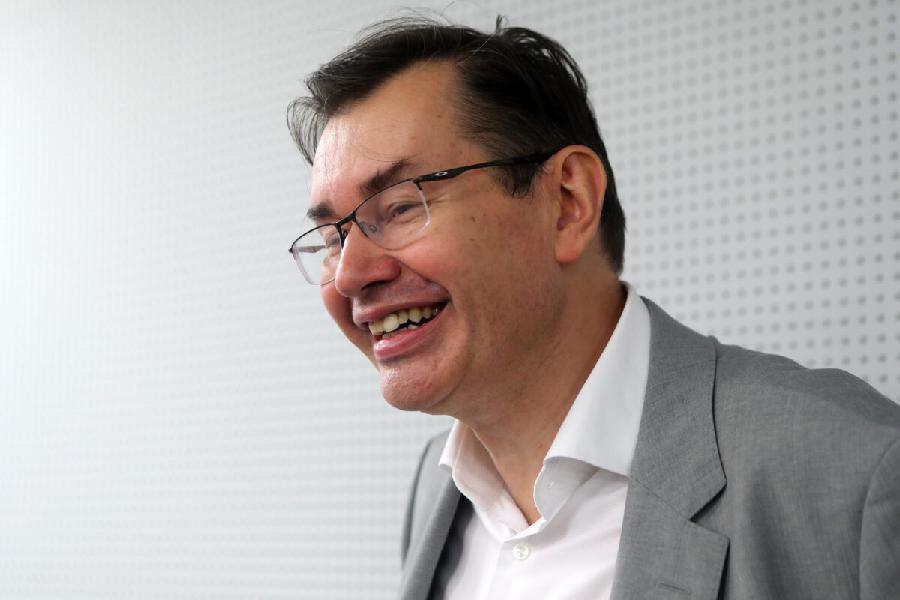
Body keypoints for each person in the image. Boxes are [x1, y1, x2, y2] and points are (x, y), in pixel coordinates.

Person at [286, 16, 900, 600]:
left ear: (568, 202)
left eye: (399, 206)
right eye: (334, 237)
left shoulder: (853, 472)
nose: (351, 275)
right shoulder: (434, 487)